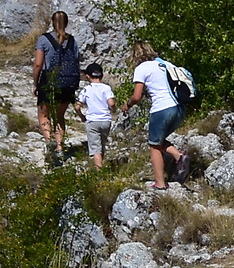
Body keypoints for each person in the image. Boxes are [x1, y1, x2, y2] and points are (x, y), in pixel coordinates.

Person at [127, 40, 185, 189]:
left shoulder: (141, 68)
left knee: (154, 146)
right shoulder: (165, 64)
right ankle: (179, 157)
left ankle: (160, 183)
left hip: (161, 109)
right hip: (179, 109)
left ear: (135, 54)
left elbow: (137, 96)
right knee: (158, 141)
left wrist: (127, 105)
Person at [30, 12, 81, 158]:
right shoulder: (72, 40)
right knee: (59, 116)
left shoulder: (44, 40)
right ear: (67, 22)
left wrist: (36, 83)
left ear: (52, 22)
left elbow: (38, 64)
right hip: (67, 82)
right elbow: (76, 61)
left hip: (49, 80)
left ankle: (49, 142)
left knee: (43, 115)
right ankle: (59, 147)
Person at [77, 64, 115, 165]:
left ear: (87, 76)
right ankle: (101, 165)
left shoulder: (86, 89)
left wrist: (82, 116)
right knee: (102, 145)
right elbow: (111, 103)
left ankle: (99, 171)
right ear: (101, 76)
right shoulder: (106, 88)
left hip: (92, 121)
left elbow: (77, 106)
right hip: (105, 120)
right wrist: (113, 110)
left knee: (95, 149)